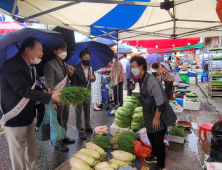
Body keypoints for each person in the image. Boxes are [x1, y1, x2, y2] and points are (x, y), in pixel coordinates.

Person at [0, 37, 62, 170]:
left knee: (31, 149)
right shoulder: (11, 66)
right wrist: (50, 96)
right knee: (18, 153)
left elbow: (31, 86)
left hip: (28, 115)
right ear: (28, 50)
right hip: (14, 117)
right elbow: (23, 89)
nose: (42, 53)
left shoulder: (30, 66)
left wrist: (43, 90)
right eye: (39, 50)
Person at [130, 56, 177, 170]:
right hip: (150, 113)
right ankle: (155, 156)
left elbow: (160, 101)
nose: (132, 69)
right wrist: (144, 113)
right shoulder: (141, 79)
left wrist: (156, 118)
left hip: (159, 113)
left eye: (133, 66)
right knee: (151, 136)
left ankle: (161, 165)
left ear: (141, 66)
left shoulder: (151, 80)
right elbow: (146, 99)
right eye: (131, 67)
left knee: (157, 140)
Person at [44, 41, 75, 151]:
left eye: (65, 50)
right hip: (56, 98)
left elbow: (66, 81)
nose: (64, 52)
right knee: (57, 120)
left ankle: (63, 136)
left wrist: (70, 74)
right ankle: (57, 141)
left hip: (65, 98)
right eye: (61, 50)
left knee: (64, 119)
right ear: (55, 51)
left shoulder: (65, 64)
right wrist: (52, 102)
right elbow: (49, 86)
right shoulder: (50, 65)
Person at [70, 49, 95, 140]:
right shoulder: (76, 68)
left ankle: (87, 126)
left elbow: (93, 79)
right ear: (81, 59)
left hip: (87, 93)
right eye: (86, 58)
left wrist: (93, 78)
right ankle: (80, 129)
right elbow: (73, 83)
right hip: (79, 94)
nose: (88, 59)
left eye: (89, 58)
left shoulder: (91, 67)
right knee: (78, 112)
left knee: (87, 110)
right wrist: (75, 96)